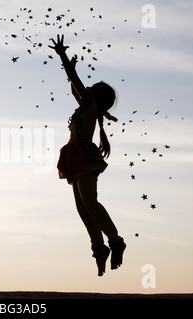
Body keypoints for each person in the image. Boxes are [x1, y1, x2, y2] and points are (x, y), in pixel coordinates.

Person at [49, 35, 126, 276]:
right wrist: (69, 68)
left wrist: (63, 58)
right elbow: (75, 87)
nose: (87, 89)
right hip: (75, 156)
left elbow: (76, 83)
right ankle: (99, 247)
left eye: (92, 89)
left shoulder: (91, 107)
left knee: (90, 202)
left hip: (84, 157)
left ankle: (115, 240)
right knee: (83, 208)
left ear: (97, 97)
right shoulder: (85, 106)